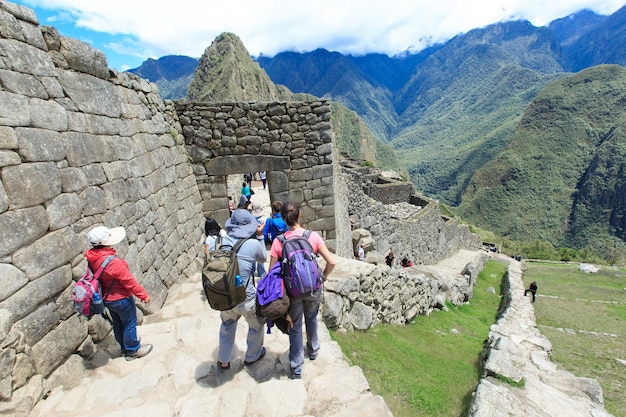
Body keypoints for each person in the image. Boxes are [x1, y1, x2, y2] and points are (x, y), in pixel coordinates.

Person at [268, 202, 336, 380]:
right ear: (299, 216)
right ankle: (313, 350)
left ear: (283, 219)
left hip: (294, 291)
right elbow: (332, 262)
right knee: (312, 318)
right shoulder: (311, 236)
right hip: (313, 287)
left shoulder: (279, 242)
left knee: (295, 326)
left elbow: (271, 274)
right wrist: (324, 277)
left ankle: (296, 366)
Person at [85, 225, 152, 360]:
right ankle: (133, 350)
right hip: (121, 298)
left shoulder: (93, 258)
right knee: (129, 323)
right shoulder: (113, 262)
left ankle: (124, 347)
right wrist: (143, 295)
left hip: (107, 299)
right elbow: (128, 281)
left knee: (118, 323)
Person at [217, 208, 267, 369]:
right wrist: (260, 236)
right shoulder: (252, 244)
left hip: (226, 296)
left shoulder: (223, 242)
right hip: (246, 298)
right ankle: (252, 355)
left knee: (227, 325)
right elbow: (262, 259)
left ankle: (224, 359)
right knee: (256, 324)